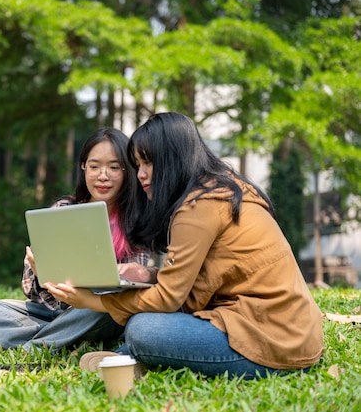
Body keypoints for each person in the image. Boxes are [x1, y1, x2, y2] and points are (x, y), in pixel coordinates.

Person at [45, 112, 324, 379]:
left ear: (173, 160)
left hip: (271, 337)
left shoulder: (198, 207)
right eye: (137, 165)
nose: (140, 174)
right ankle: (128, 360)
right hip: (290, 331)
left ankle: (132, 358)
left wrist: (94, 301)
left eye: (148, 163)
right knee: (147, 324)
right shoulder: (217, 190)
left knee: (143, 329)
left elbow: (168, 299)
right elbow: (195, 270)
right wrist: (149, 272)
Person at [0, 127, 152, 352]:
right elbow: (30, 291)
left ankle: (31, 347)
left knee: (110, 304)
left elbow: (134, 290)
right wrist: (42, 272)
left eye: (114, 167)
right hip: (49, 313)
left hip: (96, 312)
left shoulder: (138, 220)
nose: (103, 176)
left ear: (127, 171)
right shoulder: (63, 210)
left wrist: (92, 292)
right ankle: (64, 339)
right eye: (94, 166)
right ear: (83, 167)